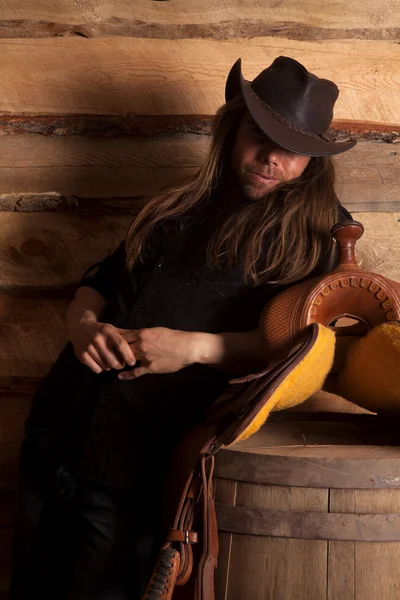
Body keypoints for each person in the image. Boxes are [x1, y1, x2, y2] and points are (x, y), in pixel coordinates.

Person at [10, 56, 356, 600]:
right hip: (55, 435)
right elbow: (103, 276)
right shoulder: (180, 206)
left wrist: (194, 348)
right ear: (230, 129)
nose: (271, 158)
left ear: (313, 161)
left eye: (293, 149)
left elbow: (307, 348)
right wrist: (81, 323)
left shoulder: (322, 239)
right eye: (258, 136)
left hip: (140, 468)